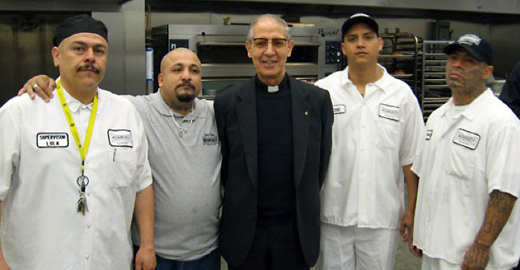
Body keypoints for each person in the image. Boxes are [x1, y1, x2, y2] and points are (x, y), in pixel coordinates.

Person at [19, 48, 222, 270]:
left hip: (207, 250)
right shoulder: (132, 110)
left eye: (194, 70)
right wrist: (44, 83)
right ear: (161, 80)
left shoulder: (216, 114)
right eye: (177, 69)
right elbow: (83, 96)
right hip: (153, 251)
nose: (186, 76)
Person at [0, 14, 156, 269]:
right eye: (79, 49)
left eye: (99, 50)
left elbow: (142, 183)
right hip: (37, 262)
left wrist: (147, 245)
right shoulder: (19, 113)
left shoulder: (125, 112)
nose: (90, 57)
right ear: (56, 56)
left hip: (110, 260)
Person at [213, 14, 334, 270]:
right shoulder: (227, 103)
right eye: (260, 42)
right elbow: (225, 167)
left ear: (289, 48)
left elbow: (319, 168)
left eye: (278, 42)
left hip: (296, 235)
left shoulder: (317, 102)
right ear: (249, 49)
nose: (270, 51)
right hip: (246, 236)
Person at [312, 13, 425, 270]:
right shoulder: (323, 91)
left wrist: (413, 210)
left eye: (367, 37)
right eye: (352, 39)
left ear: (380, 44)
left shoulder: (402, 95)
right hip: (332, 216)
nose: (360, 44)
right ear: (343, 48)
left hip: (380, 217)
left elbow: (412, 160)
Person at [412, 34, 520, 269]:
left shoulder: (501, 122)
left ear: (486, 71)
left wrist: (481, 246)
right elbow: (426, 178)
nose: (458, 65)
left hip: (473, 258)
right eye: (453, 58)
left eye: (469, 61)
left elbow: (505, 193)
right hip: (435, 250)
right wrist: (421, 231)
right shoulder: (437, 118)